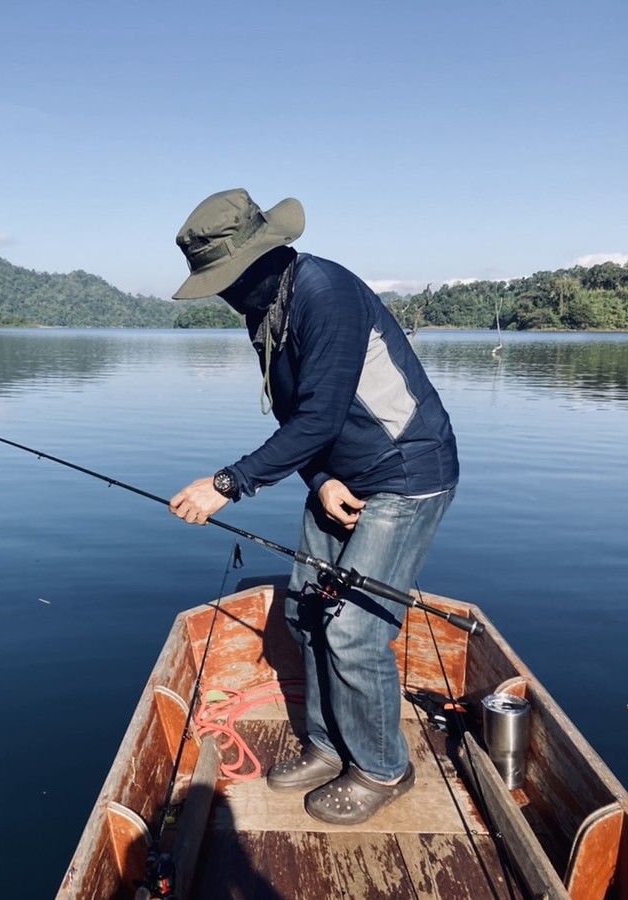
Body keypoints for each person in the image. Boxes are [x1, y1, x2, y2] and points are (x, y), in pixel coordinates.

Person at [167, 188, 459, 825]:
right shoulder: (263, 309)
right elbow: (293, 413)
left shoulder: (325, 295)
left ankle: (384, 767)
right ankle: (330, 745)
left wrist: (226, 483)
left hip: (407, 471)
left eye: (227, 277)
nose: (223, 292)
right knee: (307, 610)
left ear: (265, 256)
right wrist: (321, 477)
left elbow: (321, 413)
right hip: (342, 474)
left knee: (355, 631)